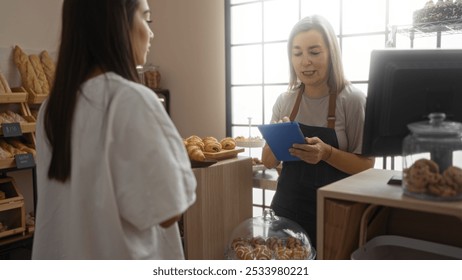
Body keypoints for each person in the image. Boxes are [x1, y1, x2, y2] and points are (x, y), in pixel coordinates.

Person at [32, 0, 196, 259]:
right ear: (118, 24)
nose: (151, 33)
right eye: (146, 19)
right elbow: (169, 210)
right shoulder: (131, 99)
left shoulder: (51, 109)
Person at [261, 15, 375, 248]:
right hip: (286, 211)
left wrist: (327, 153)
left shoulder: (352, 100)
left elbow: (366, 165)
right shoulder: (286, 101)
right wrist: (278, 135)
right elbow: (267, 161)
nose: (305, 62)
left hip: (335, 214)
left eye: (314, 52)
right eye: (297, 53)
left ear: (331, 53)